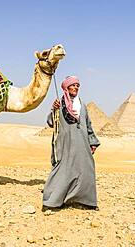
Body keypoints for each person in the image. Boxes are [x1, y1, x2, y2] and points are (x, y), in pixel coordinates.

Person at [42, 75, 100, 210]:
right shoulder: (60, 103)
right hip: (65, 143)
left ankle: (86, 201)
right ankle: (52, 202)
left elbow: (88, 124)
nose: (75, 88)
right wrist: (54, 110)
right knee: (63, 169)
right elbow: (51, 122)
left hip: (82, 143)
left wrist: (92, 142)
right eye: (73, 85)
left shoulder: (82, 105)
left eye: (77, 85)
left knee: (86, 168)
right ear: (66, 87)